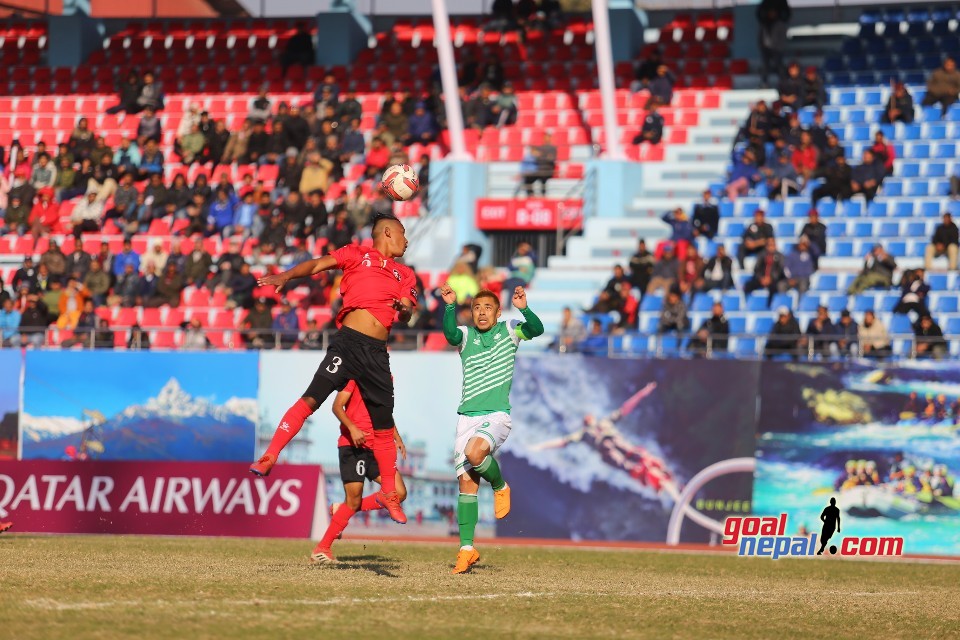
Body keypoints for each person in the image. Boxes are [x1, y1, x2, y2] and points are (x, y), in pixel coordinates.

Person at [251, 215, 418, 525]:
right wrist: (287, 276)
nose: (406, 241)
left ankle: (389, 496)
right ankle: (270, 454)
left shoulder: (406, 274)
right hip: (348, 344)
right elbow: (316, 265)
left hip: (378, 354)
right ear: (387, 232)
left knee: (382, 426)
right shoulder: (356, 254)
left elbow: (408, 309)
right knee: (312, 398)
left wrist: (405, 309)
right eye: (403, 234)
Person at [438, 284, 543, 574]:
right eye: (476, 308)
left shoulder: (510, 330)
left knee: (475, 454)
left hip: (496, 415)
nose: (481, 312)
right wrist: (449, 305)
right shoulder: (466, 335)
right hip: (466, 417)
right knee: (466, 485)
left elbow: (537, 329)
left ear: (497, 313)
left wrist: (523, 308)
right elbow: (449, 335)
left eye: (487, 308)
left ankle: (500, 486)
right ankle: (467, 550)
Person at [311, 381, 410, 564]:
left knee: (399, 492)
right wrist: (353, 428)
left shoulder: (386, 377)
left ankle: (342, 509)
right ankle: (322, 549)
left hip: (377, 447)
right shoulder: (355, 376)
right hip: (354, 445)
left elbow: (384, 413)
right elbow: (337, 406)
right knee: (354, 499)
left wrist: (396, 437)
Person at [756, 0, 791, 87]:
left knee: (779, 65)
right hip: (766, 48)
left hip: (777, 48)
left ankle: (784, 82)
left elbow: (782, 38)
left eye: (773, 12)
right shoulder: (764, 25)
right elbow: (761, 37)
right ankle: (764, 82)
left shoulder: (780, 25)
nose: (772, 14)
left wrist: (778, 48)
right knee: (765, 66)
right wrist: (762, 47)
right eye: (770, 12)